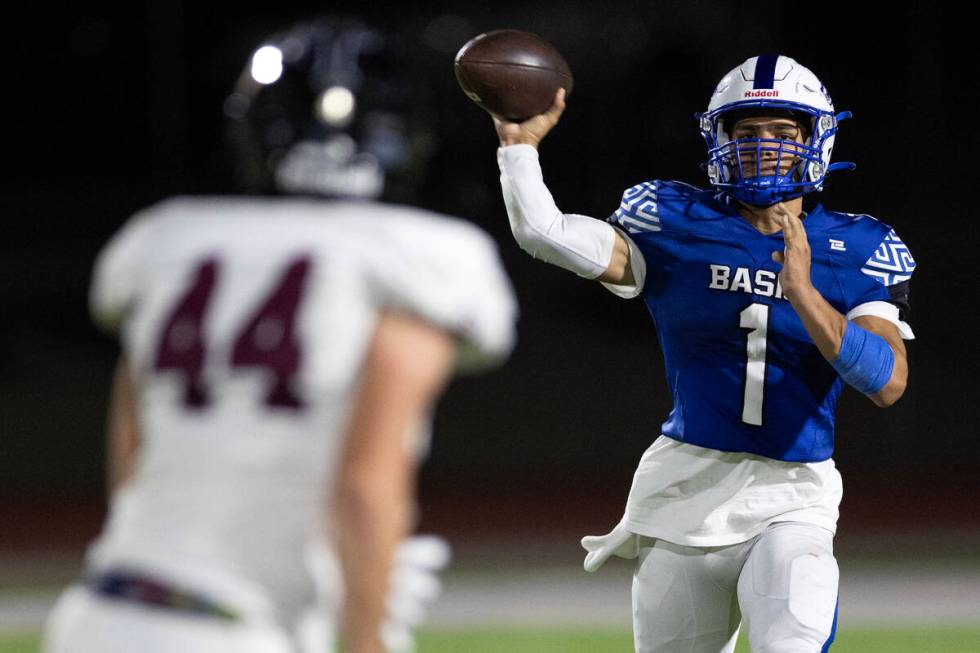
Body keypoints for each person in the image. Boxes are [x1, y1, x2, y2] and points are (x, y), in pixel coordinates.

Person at [41, 17, 517, 653]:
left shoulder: (164, 242)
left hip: (102, 614)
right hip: (240, 629)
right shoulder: (424, 261)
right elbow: (365, 485)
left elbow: (133, 460)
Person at [492, 54, 915, 652]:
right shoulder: (675, 222)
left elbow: (887, 380)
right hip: (684, 495)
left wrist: (806, 295)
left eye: (782, 133)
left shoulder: (859, 245)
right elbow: (548, 234)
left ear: (816, 140)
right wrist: (518, 149)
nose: (763, 148)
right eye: (746, 134)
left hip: (793, 496)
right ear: (719, 140)